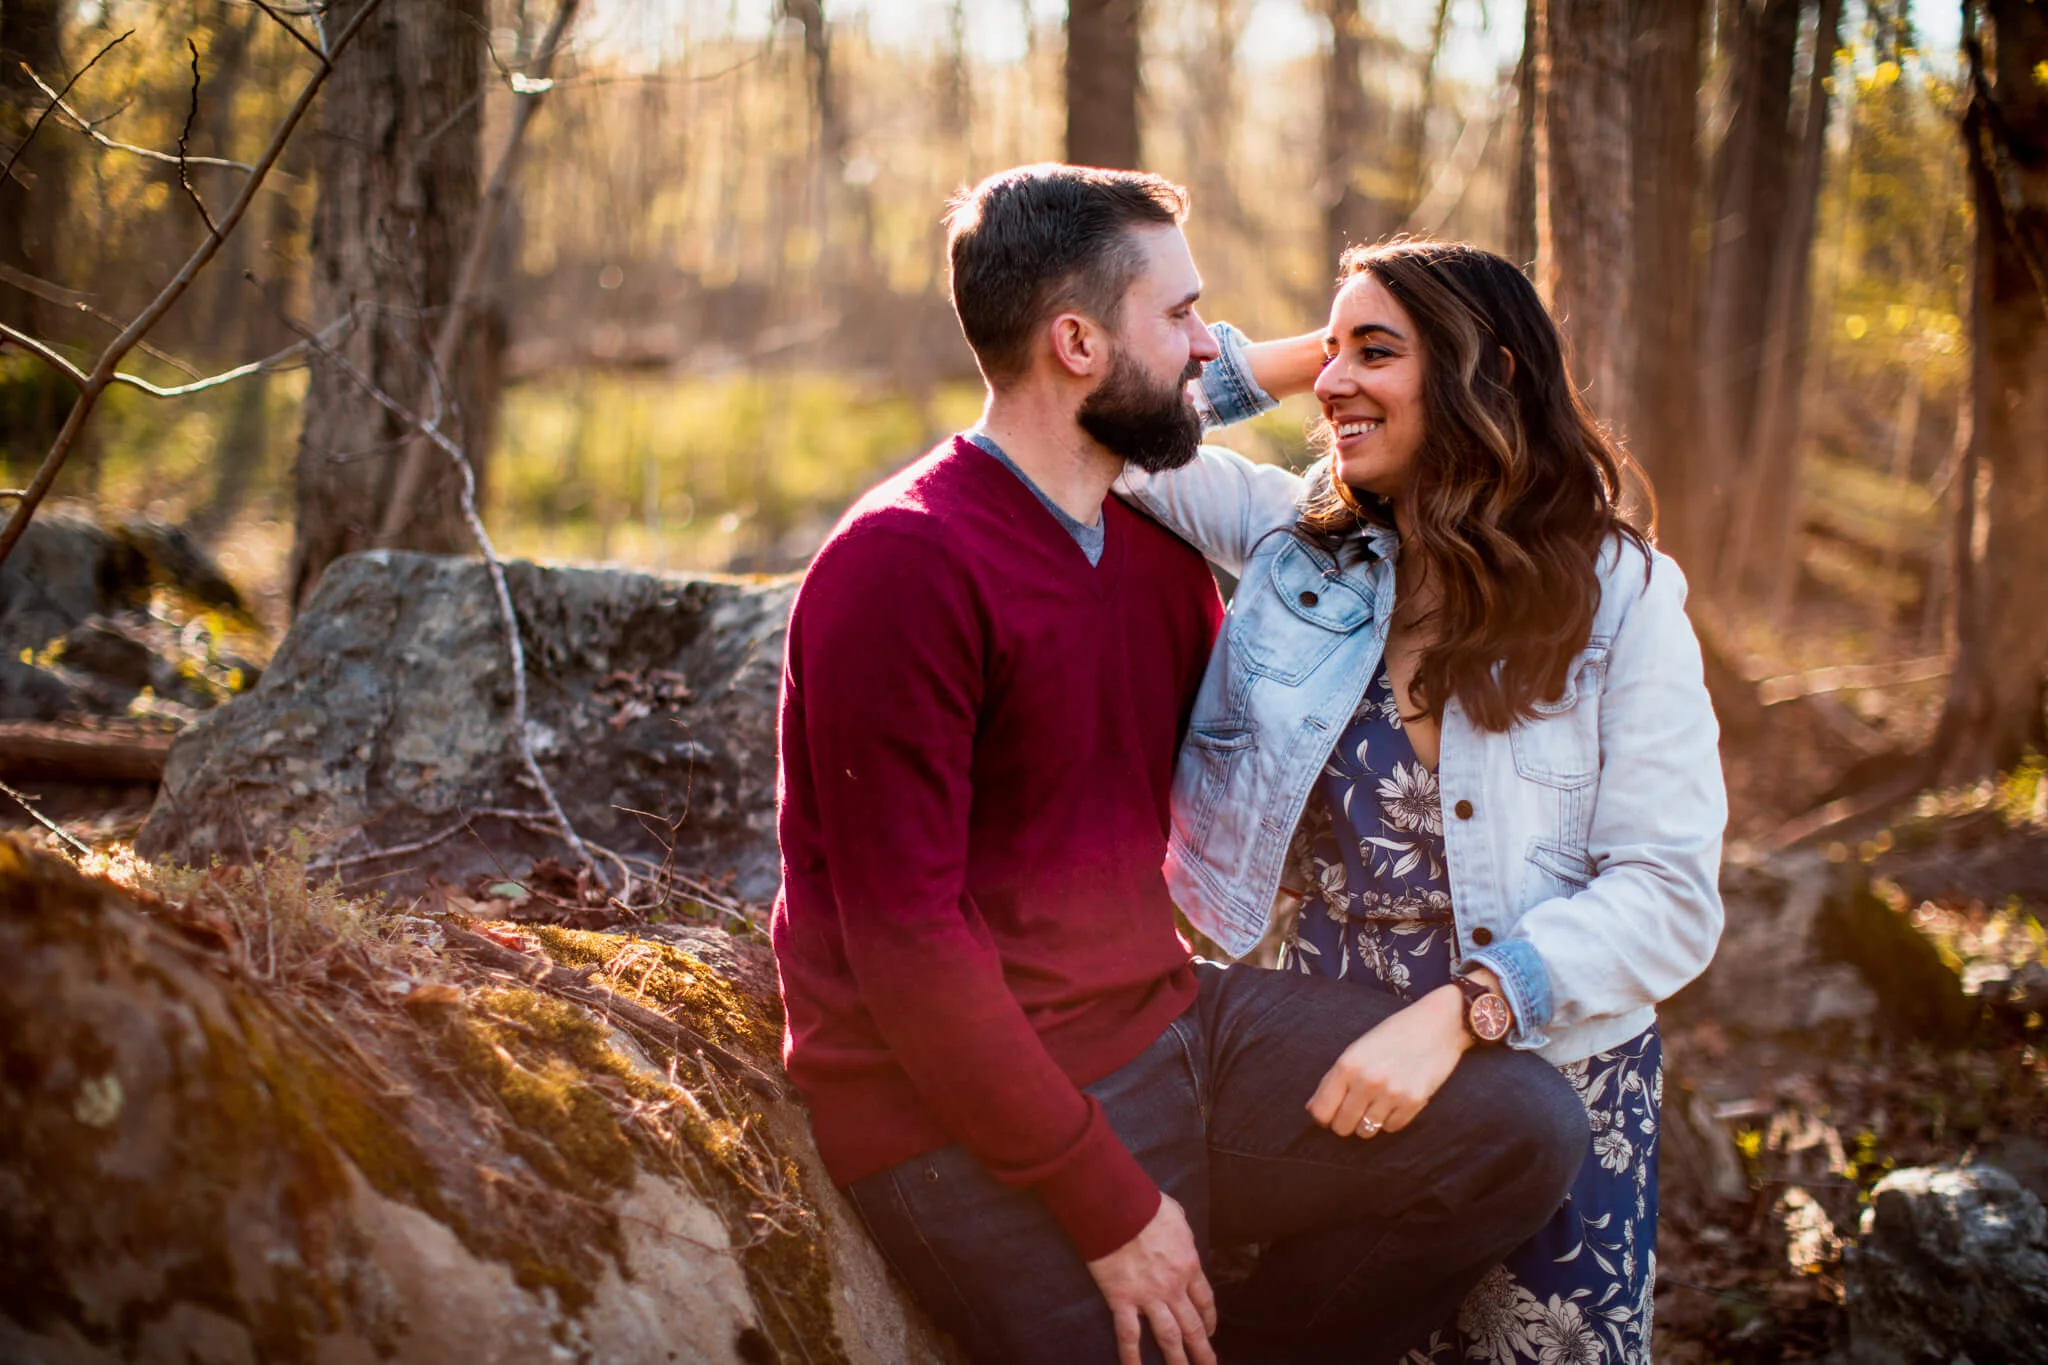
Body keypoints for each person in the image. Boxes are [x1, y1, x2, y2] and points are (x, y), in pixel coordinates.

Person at [771, 167, 1588, 1365]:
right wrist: (1110, 1212)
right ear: (1076, 342)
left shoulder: (1151, 548)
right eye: (1182, 317)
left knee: (1517, 1124)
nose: (1213, 346)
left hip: (1163, 1031)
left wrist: (1415, 362)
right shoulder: (903, 564)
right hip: (942, 1111)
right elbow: (908, 948)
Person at [1119, 240, 1728, 1363]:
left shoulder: (1620, 595)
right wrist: (1326, 359)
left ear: (1481, 374)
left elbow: (1669, 892)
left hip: (1551, 1077)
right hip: (1322, 1088)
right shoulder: (1291, 549)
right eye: (1330, 352)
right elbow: (1113, 430)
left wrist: (1465, 1012)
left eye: (1378, 351)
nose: (1334, 383)